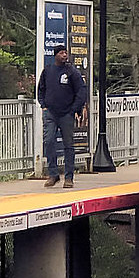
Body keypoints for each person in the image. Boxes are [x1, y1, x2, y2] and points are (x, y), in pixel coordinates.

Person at [37, 44, 87, 188]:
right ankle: (53, 174)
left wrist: (74, 109)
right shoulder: (48, 71)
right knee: (49, 141)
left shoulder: (72, 72)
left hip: (66, 113)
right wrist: (43, 105)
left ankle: (69, 177)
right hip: (51, 112)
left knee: (68, 145)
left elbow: (81, 91)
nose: (64, 55)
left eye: (66, 53)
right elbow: (41, 88)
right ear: (56, 55)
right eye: (61, 53)